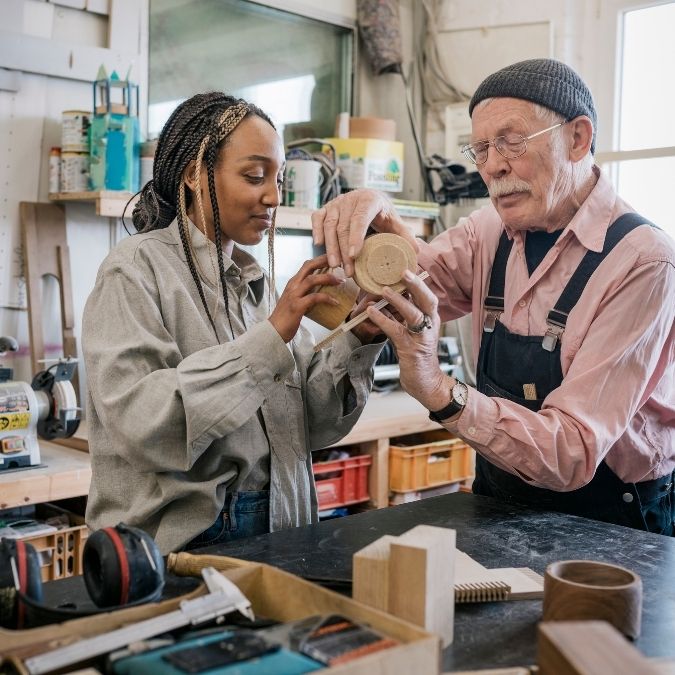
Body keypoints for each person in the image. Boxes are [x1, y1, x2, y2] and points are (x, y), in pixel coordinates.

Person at [311, 59, 675, 535]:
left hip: (612, 516)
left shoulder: (644, 263)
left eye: (511, 142)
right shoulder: (490, 232)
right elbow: (410, 288)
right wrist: (382, 217)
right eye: (480, 148)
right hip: (501, 492)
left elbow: (571, 452)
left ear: (578, 138)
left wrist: (439, 390)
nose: (493, 166)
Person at [82, 93, 383, 555]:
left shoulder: (257, 285)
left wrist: (362, 334)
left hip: (283, 515)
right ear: (194, 173)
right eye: (254, 175)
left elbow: (313, 425)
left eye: (278, 178)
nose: (274, 196)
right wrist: (272, 336)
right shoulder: (135, 269)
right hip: (187, 541)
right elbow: (142, 426)